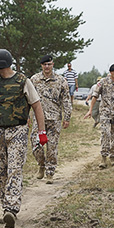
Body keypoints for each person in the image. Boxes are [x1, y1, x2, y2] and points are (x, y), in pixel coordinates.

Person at [0, 49, 47, 228]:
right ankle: (5, 208)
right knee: (2, 171)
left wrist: (42, 132)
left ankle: (11, 209)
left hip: (18, 131)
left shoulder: (23, 81)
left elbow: (36, 106)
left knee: (15, 169)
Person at [30, 55, 72, 184]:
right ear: (41, 65)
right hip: (38, 119)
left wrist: (67, 117)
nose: (46, 67)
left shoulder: (61, 81)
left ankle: (50, 172)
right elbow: (28, 98)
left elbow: (66, 99)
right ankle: (41, 165)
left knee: (51, 147)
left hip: (54, 119)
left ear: (53, 64)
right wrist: (26, 116)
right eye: (44, 64)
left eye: (49, 64)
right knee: (36, 145)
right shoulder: (34, 80)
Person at [85, 64, 114, 168]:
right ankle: (103, 158)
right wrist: (90, 110)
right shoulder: (102, 82)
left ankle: (112, 157)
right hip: (105, 113)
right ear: (110, 72)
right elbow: (95, 96)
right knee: (105, 134)